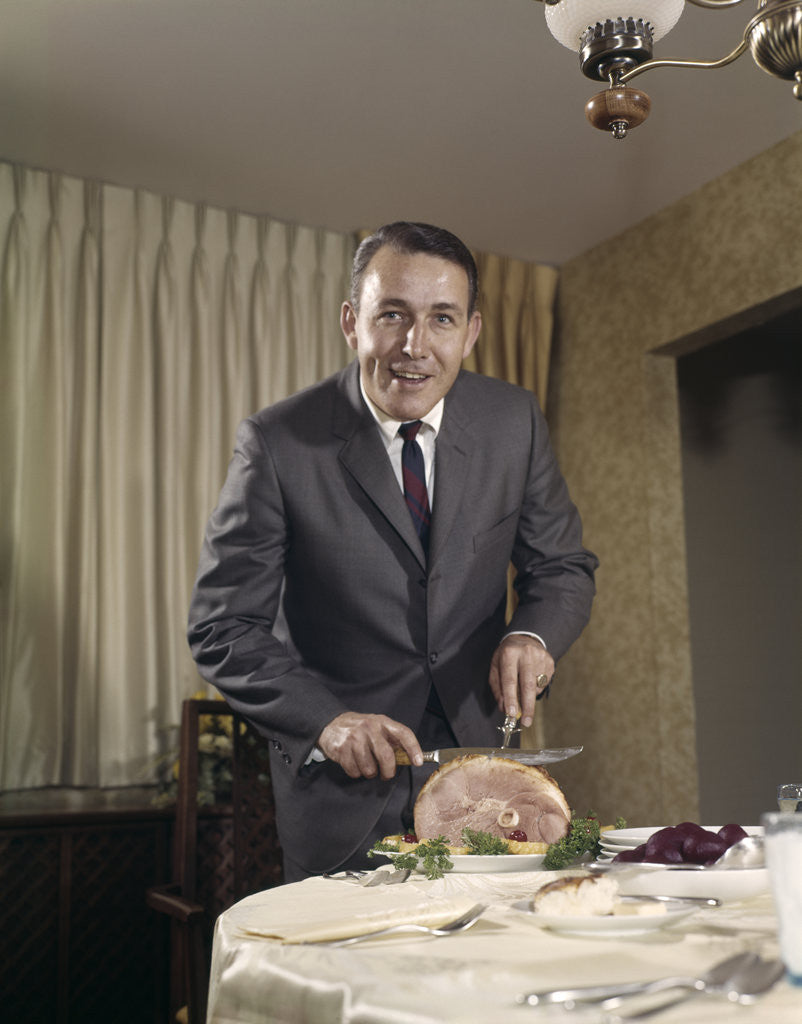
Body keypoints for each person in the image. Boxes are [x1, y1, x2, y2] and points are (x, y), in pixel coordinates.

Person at [187, 221, 598, 882]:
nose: (415, 347)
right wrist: (326, 721)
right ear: (352, 322)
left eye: (441, 319)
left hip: (483, 779)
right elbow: (222, 628)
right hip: (342, 794)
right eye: (392, 316)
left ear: (471, 333)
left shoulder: (512, 420)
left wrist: (531, 636)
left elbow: (562, 567)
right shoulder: (276, 443)